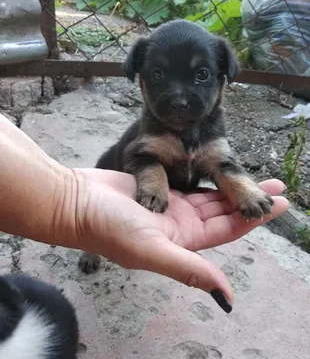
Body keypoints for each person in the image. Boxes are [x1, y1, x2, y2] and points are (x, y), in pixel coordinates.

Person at [0, 114, 288, 311]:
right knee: (99, 224)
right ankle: (91, 248)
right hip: (118, 180)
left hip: (173, 196)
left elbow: (223, 166)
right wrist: (78, 206)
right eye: (158, 75)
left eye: (202, 75)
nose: (179, 96)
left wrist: (243, 191)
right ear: (140, 78)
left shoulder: (214, 132)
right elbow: (139, 158)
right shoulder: (150, 130)